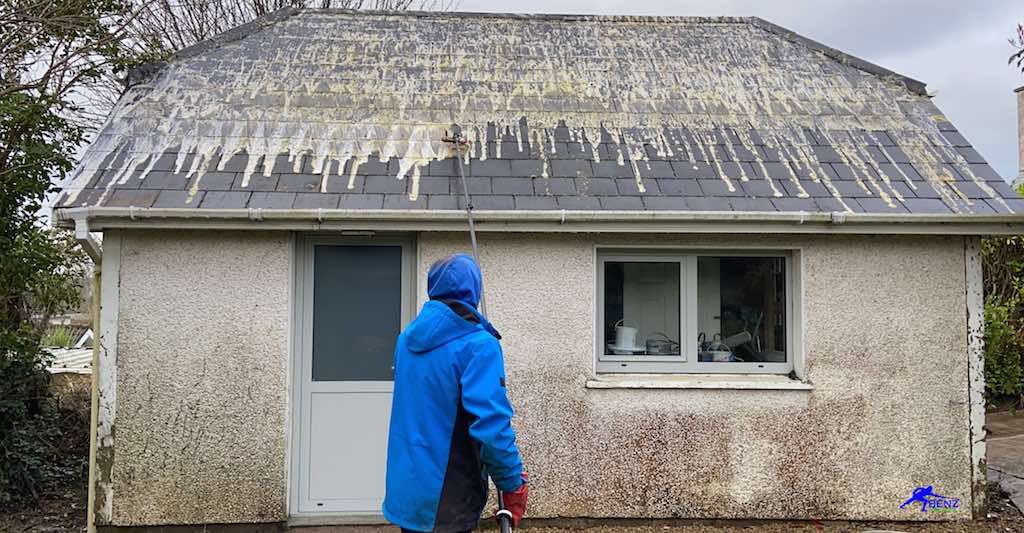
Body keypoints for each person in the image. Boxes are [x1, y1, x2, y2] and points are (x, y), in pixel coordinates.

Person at [383, 253, 529, 533]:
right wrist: (512, 483)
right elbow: (491, 427)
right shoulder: (479, 345)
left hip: (408, 491)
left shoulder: (406, 341)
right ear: (474, 290)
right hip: (447, 495)